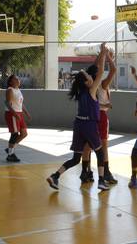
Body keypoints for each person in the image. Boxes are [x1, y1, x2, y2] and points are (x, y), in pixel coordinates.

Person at [47, 44, 111, 191]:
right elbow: (100, 71)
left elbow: (93, 70)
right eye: (89, 77)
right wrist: (103, 53)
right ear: (87, 82)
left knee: (76, 158)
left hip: (78, 125)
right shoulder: (91, 90)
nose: (91, 77)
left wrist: (101, 54)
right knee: (100, 153)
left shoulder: (81, 92)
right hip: (89, 125)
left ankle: (55, 176)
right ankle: (101, 181)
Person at [80, 48, 117, 184]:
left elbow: (95, 67)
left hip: (88, 116)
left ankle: (86, 172)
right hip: (100, 115)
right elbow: (113, 70)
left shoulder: (86, 85)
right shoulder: (101, 84)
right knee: (104, 145)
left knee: (88, 145)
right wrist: (108, 57)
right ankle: (106, 172)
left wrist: (102, 53)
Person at [4, 74, 31, 162]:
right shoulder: (10, 90)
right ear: (11, 81)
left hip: (19, 113)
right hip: (12, 114)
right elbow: (7, 103)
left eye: (18, 79)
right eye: (16, 79)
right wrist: (15, 114)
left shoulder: (18, 90)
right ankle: (10, 155)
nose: (18, 80)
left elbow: (20, 103)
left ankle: (10, 149)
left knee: (24, 133)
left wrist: (26, 112)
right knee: (14, 134)